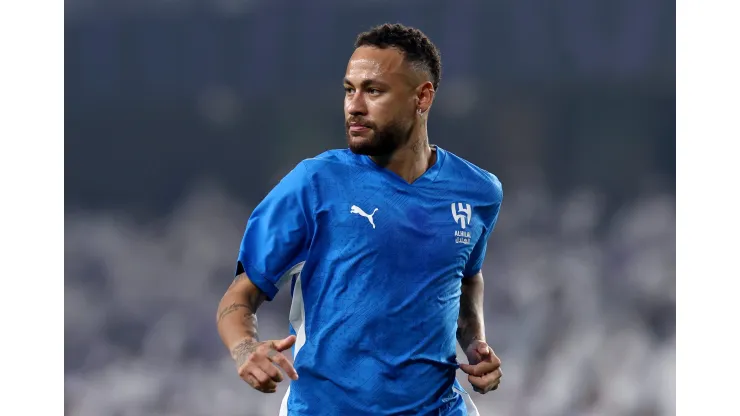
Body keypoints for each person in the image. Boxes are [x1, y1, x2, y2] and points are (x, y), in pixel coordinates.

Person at [216, 23, 504, 416]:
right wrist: (245, 349)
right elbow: (239, 295)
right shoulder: (314, 183)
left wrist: (475, 344)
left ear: (422, 97)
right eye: (349, 89)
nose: (354, 105)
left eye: (374, 91)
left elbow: (467, 278)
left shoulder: (478, 192)